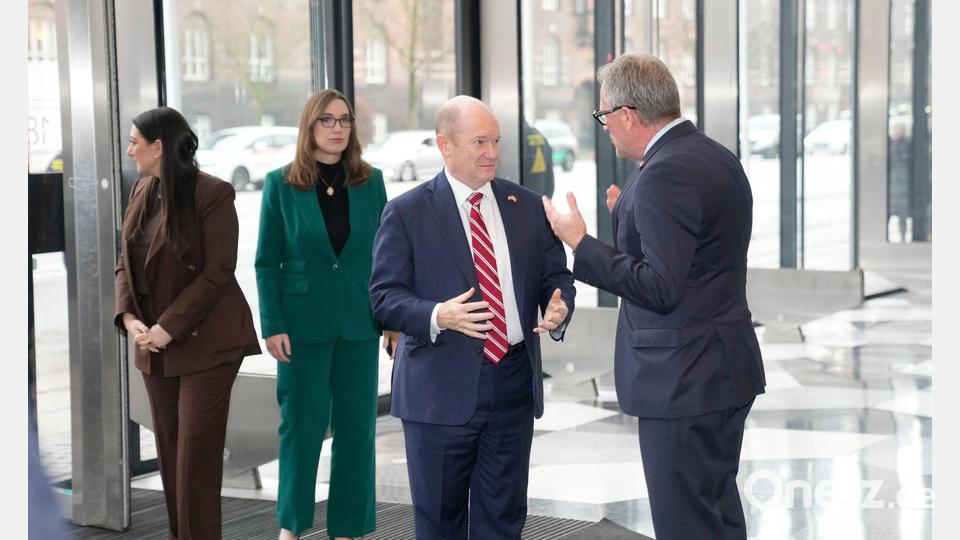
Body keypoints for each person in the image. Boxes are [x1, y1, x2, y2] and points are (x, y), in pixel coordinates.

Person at [542, 54, 766, 540]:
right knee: (717, 513)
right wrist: (630, 211)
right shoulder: (712, 155)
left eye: (603, 116)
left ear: (626, 114)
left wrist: (581, 243)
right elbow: (700, 249)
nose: (604, 127)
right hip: (721, 369)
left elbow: (661, 288)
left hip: (683, 380)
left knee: (686, 523)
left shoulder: (667, 173)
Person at [369, 95, 576, 540]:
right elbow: (383, 298)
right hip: (438, 392)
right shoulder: (406, 212)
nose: (492, 152)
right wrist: (437, 314)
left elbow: (554, 274)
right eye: (479, 141)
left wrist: (558, 303)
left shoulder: (526, 205)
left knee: (503, 521)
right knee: (440, 525)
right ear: (445, 145)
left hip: (513, 383)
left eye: (496, 141)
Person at [114, 106, 261, 540]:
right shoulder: (142, 189)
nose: (129, 150)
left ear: (158, 147)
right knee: (172, 456)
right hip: (154, 343)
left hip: (207, 343)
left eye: (134, 142)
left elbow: (219, 271)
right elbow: (125, 262)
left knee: (195, 460)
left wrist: (167, 327)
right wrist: (129, 318)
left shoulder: (213, 193)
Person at [255, 89, 396, 540]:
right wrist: (272, 324)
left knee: (357, 432)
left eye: (345, 120)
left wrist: (390, 318)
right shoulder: (281, 183)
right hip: (300, 326)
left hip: (359, 323)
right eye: (327, 120)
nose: (337, 128)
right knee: (301, 429)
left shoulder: (369, 181)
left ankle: (349, 528)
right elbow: (266, 261)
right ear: (309, 126)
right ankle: (291, 525)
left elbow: (386, 256)